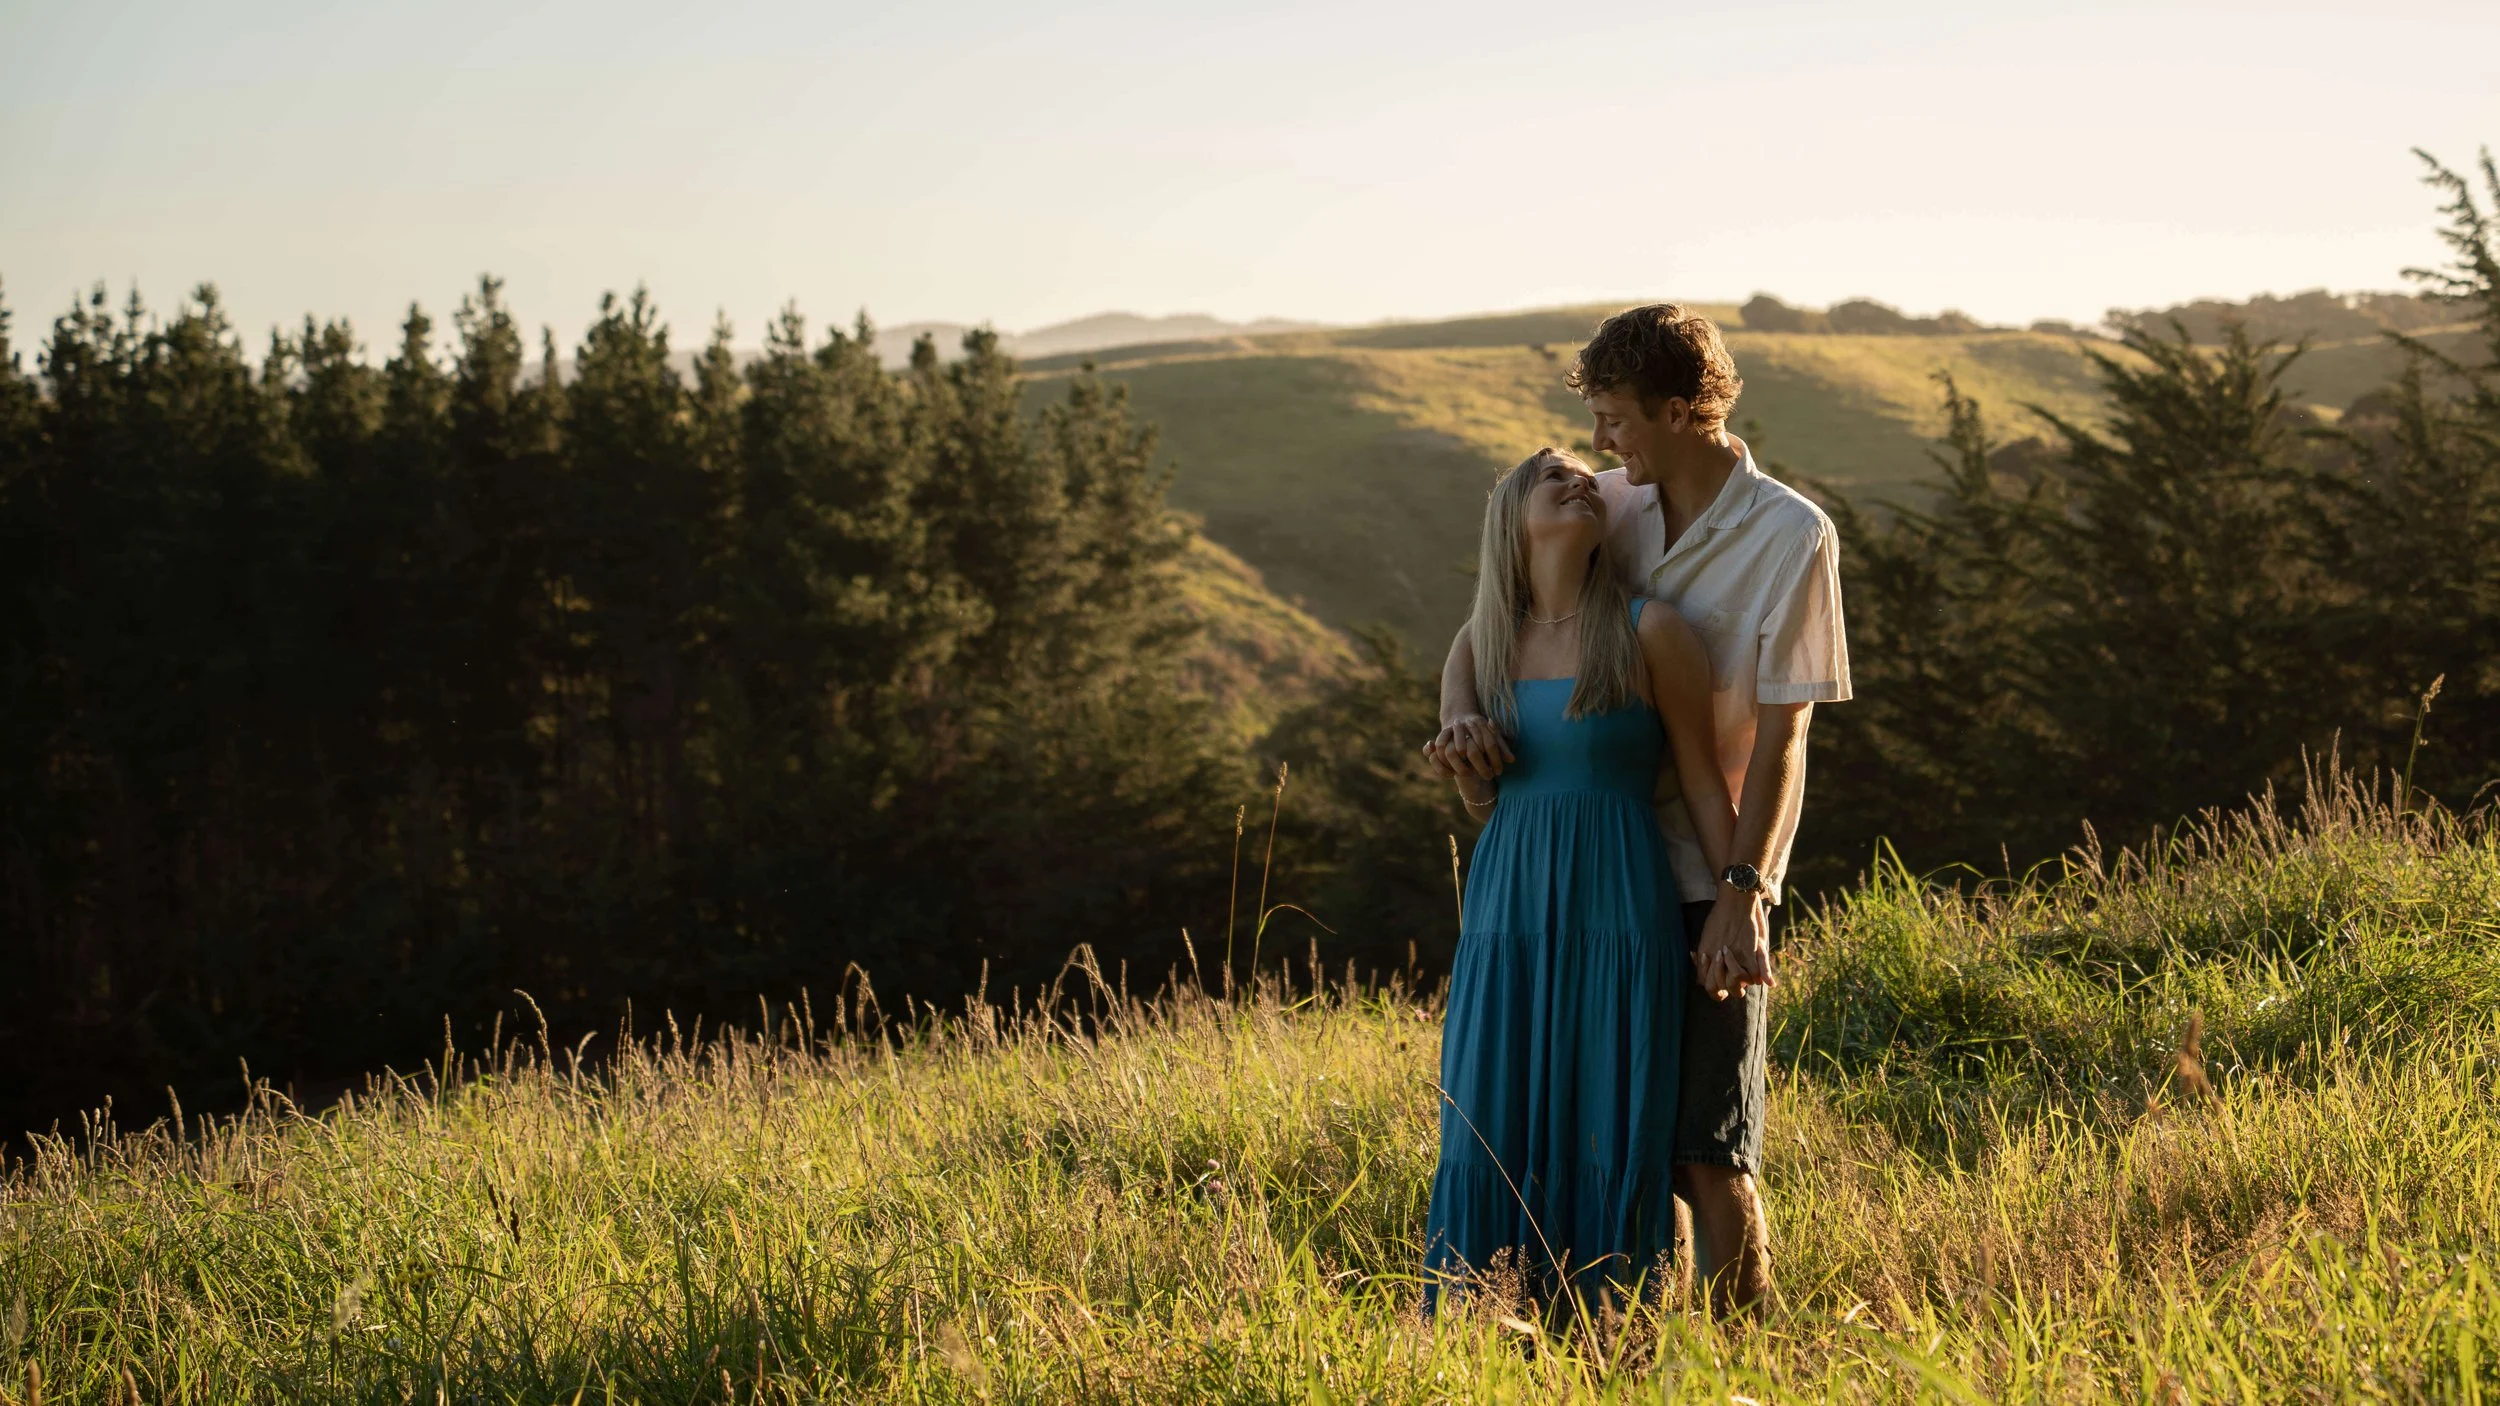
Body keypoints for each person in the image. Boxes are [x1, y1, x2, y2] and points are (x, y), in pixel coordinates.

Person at [1427, 304, 1852, 1316]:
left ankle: (1741, 1367)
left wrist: (1744, 897)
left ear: (1674, 409)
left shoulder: (1791, 535)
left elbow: (1784, 740)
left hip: (1709, 873)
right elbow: (1497, 620)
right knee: (1581, 1127)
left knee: (1705, 1148)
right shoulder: (1605, 504)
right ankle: (1568, 1332)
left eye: (1615, 417)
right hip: (1584, 883)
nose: (1599, 442)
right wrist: (1456, 713)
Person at [1419, 447, 1739, 1314]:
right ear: (1510, 517)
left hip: (1617, 904)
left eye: (1586, 477)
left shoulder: (1649, 629)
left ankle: (1612, 1335)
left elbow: (1706, 783)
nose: (1578, 482)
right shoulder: (1479, 642)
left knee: (1610, 1112)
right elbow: (1478, 786)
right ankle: (1485, 1326)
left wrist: (1741, 905)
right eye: (1551, 475)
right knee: (1493, 1116)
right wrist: (1460, 747)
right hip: (1507, 909)